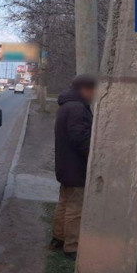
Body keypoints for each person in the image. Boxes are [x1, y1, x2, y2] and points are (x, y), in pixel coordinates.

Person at [50, 75, 97, 260]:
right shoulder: (77, 108)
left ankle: (58, 238)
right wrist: (93, 158)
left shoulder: (67, 105)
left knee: (64, 203)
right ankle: (71, 247)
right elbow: (80, 138)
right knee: (75, 208)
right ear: (85, 89)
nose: (94, 94)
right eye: (93, 90)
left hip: (65, 165)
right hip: (76, 166)